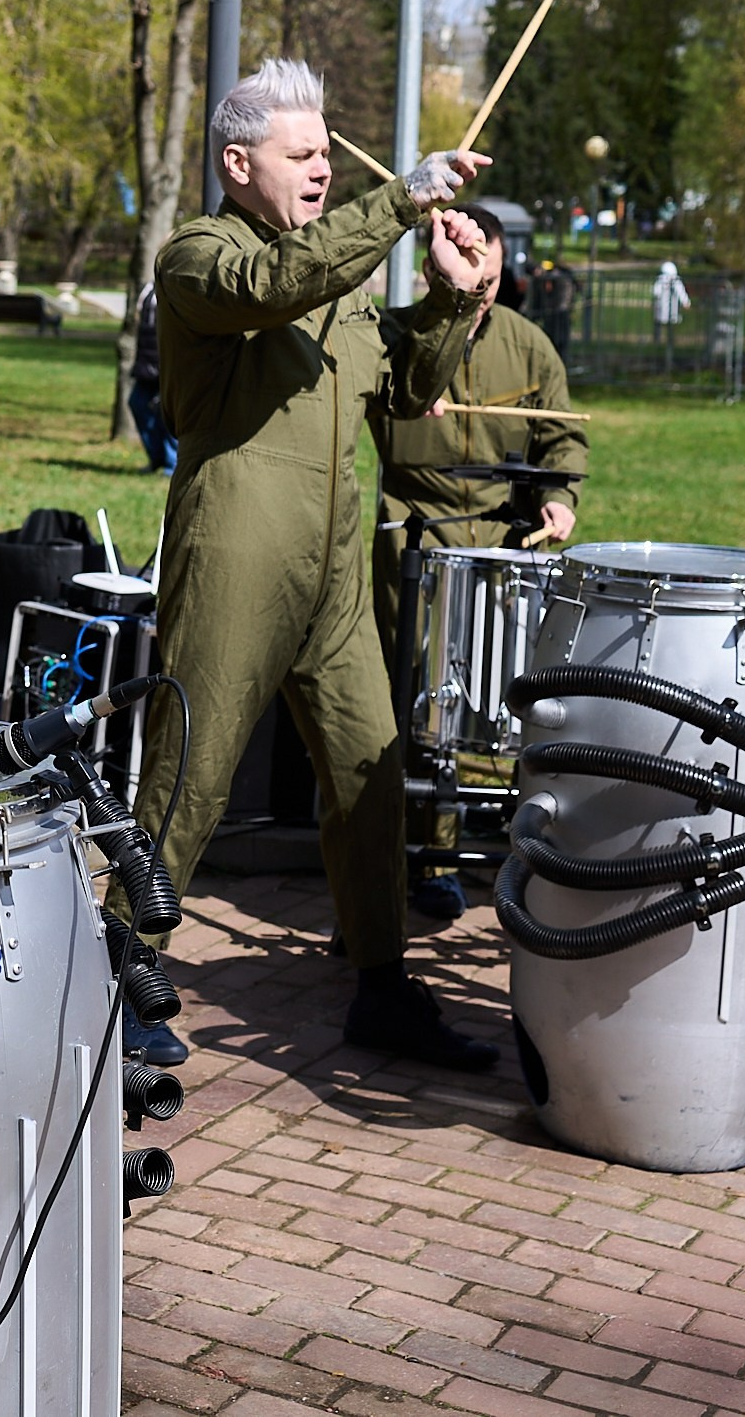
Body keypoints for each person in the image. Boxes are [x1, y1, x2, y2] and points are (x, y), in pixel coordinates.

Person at [128, 56, 501, 1073]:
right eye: (303, 154)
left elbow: (407, 387)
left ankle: (380, 984)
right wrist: (403, 197)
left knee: (368, 771)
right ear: (237, 161)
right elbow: (272, 284)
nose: (324, 169)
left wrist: (449, 303)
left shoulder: (335, 281)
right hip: (237, 544)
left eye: (329, 154)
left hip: (337, 561)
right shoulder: (200, 255)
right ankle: (119, 970)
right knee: (191, 766)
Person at [370, 202, 589, 919]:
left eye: (492, 278)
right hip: (414, 526)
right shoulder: (398, 330)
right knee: (418, 688)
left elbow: (561, 437)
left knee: (501, 692)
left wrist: (558, 498)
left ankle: (514, 832)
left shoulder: (530, 345)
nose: (480, 288)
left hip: (500, 531)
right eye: (470, 275)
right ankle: (413, 848)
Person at [128, 279, 179, 473]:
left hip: (169, 364)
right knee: (137, 403)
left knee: (169, 414)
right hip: (146, 365)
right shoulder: (149, 289)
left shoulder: (180, 287)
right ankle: (156, 457)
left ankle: (171, 463)